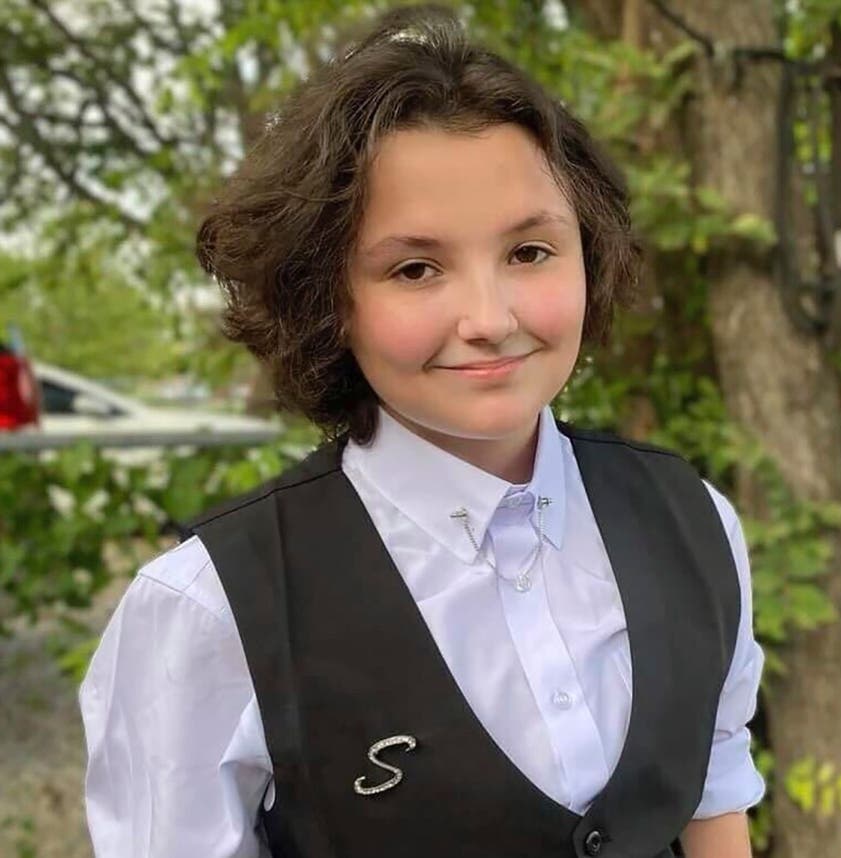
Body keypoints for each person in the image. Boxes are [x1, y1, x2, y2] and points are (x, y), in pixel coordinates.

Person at [79, 6, 765, 857]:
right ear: (327, 297)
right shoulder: (211, 609)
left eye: (530, 253)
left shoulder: (693, 522)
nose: (490, 317)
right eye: (415, 268)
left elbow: (713, 797)